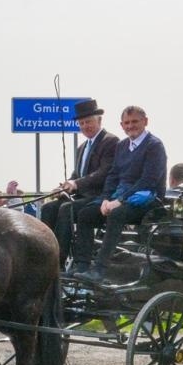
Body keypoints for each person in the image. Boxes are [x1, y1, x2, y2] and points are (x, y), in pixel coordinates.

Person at [72, 105, 167, 282]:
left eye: (135, 122)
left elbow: (148, 180)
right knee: (85, 214)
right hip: (120, 197)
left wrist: (120, 201)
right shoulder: (122, 146)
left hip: (148, 200)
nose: (130, 126)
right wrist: (106, 198)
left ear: (145, 121)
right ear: (121, 125)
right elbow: (113, 175)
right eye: (127, 123)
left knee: (116, 214)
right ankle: (82, 265)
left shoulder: (154, 146)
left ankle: (100, 269)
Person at [40, 98, 118, 262]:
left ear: (99, 120)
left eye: (88, 122)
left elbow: (104, 172)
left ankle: (60, 260)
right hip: (81, 197)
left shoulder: (110, 141)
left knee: (66, 209)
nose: (85, 126)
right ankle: (45, 255)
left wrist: (76, 184)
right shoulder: (82, 147)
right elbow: (77, 175)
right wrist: (63, 186)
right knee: (48, 208)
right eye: (81, 123)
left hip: (99, 197)